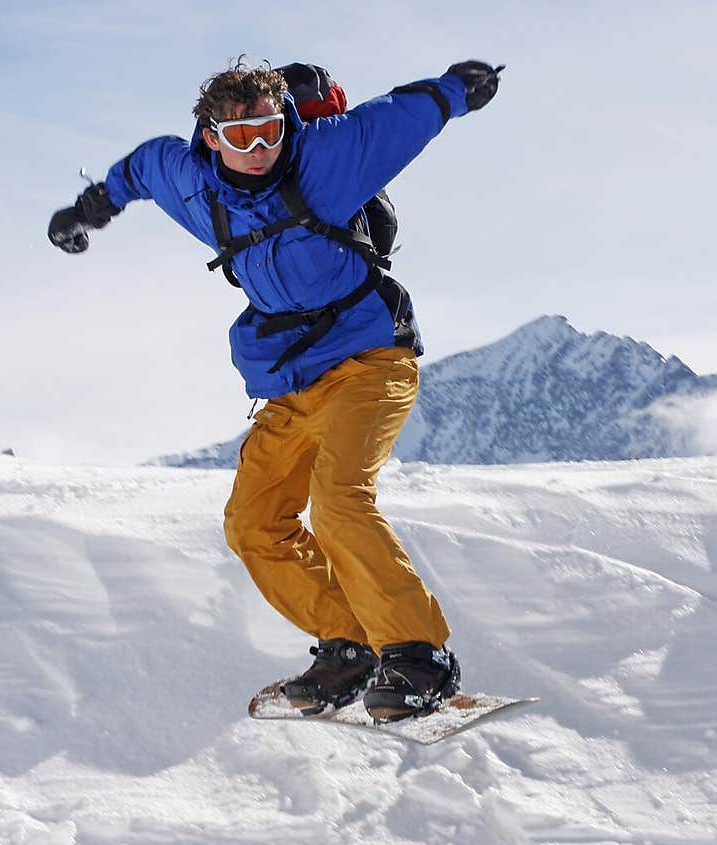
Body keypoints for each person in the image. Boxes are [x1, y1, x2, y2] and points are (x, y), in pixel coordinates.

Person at [48, 57, 501, 719]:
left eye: (269, 132)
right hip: (292, 384)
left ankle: (417, 657)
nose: (260, 150)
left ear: (285, 122)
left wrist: (460, 88)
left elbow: (403, 116)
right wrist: (87, 211)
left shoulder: (327, 157)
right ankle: (348, 646)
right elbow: (140, 169)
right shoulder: (192, 184)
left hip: (373, 360)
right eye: (242, 138)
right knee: (253, 523)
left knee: (340, 501)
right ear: (211, 140)